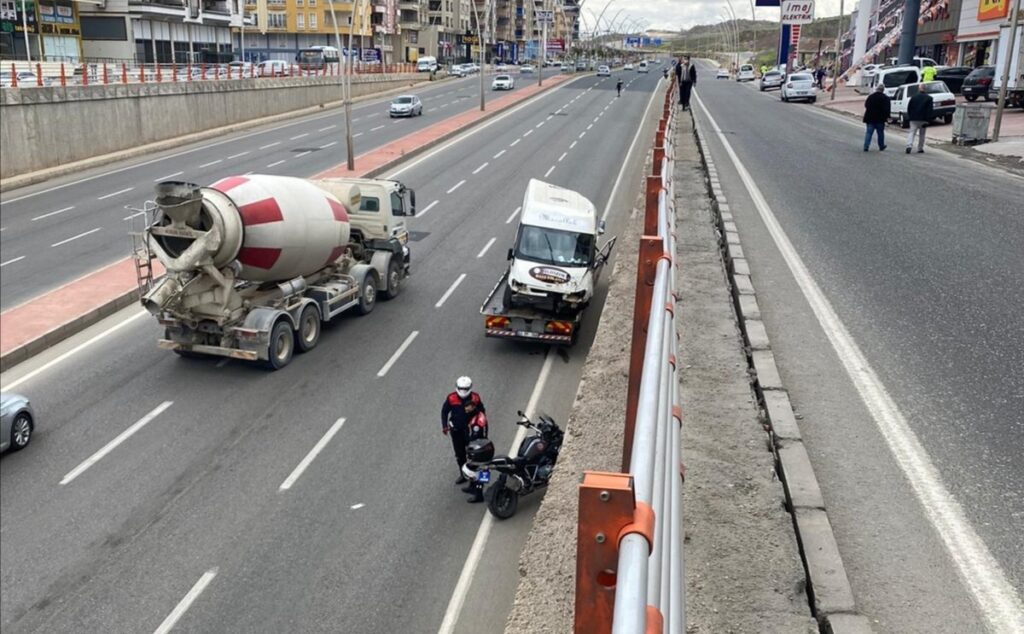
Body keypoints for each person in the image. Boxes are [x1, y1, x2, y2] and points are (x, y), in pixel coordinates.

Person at [441, 376, 487, 501]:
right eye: (461, 388)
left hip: (473, 435)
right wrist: (445, 426)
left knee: (476, 461)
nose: (463, 391)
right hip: (457, 432)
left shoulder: (476, 404)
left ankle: (479, 492)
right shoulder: (451, 398)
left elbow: (482, 416)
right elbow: (444, 412)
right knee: (460, 455)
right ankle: (467, 478)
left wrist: (481, 437)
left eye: (465, 388)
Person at [905, 83, 933, 154]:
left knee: (912, 132)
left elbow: (909, 108)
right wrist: (928, 120)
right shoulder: (929, 98)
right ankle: (920, 148)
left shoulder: (913, 97)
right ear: (925, 89)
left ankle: (909, 145)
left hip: (913, 118)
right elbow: (930, 110)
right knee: (922, 134)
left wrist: (910, 117)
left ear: (919, 88)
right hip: (923, 119)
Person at [862, 84, 890, 151]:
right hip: (880, 119)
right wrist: (887, 118)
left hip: (870, 118)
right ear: (883, 90)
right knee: (880, 133)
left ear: (877, 89)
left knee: (869, 133)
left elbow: (866, 105)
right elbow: (887, 110)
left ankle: (866, 146)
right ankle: (881, 146)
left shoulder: (871, 97)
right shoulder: (885, 98)